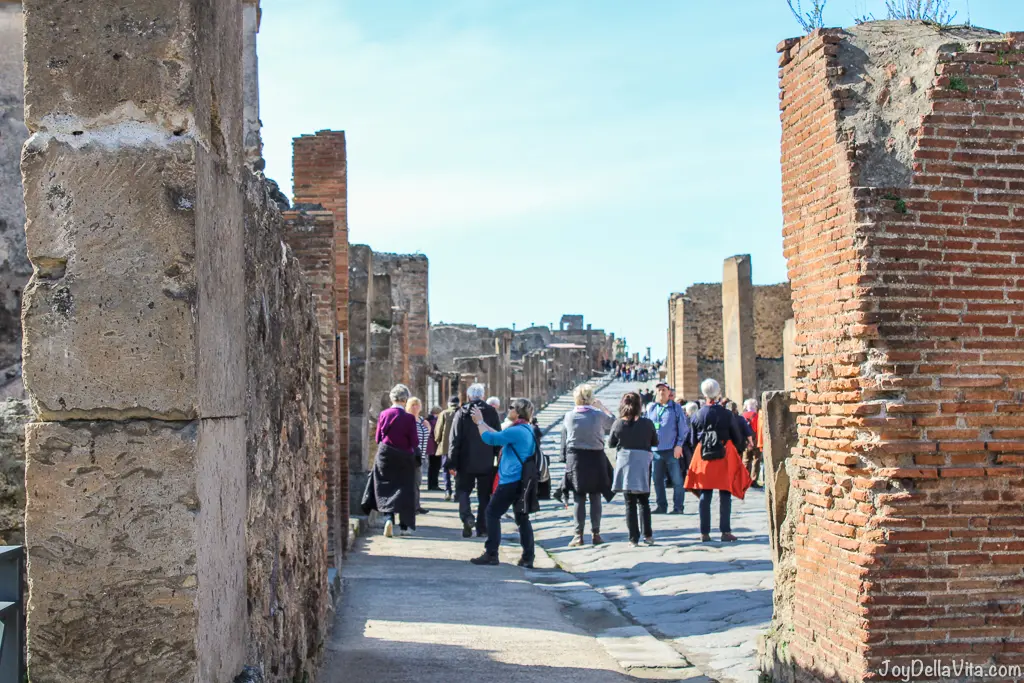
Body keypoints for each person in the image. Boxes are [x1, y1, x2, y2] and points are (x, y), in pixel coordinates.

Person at [468, 397, 539, 567]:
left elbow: (490, 439)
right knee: (522, 518)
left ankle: (491, 553)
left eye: (512, 407)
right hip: (521, 480)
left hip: (510, 480)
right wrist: (483, 422)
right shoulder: (525, 429)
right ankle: (528, 557)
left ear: (518, 411)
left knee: (492, 513)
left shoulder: (516, 431)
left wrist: (479, 423)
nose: (509, 410)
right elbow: (498, 434)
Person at [685, 379, 753, 542]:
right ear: (718, 392)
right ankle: (725, 531)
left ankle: (705, 533)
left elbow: (693, 441)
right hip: (724, 455)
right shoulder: (727, 414)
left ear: (704, 394)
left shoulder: (697, 415)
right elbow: (736, 437)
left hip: (704, 457)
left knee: (705, 494)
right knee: (725, 494)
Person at [561, 383, 616, 547]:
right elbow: (613, 423)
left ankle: (578, 535)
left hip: (576, 457)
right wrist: (602, 407)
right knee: (595, 495)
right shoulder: (598, 415)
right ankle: (596, 534)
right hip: (595, 457)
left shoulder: (569, 416)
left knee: (578, 497)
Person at [361, 384, 419, 537]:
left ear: (392, 398)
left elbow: (378, 437)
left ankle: (388, 518)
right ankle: (405, 526)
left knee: (385, 486)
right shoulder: (409, 418)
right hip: (404, 455)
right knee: (404, 488)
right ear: (405, 399)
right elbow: (414, 441)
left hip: (385, 453)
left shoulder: (384, 414)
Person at [449, 383, 503, 538]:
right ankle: (482, 527)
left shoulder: (461, 412)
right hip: (486, 461)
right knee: (484, 495)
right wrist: (496, 458)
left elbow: (454, 439)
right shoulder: (491, 412)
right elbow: (497, 436)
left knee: (463, 490)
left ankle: (467, 517)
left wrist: (452, 462)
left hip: (465, 461)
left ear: (468, 396)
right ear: (483, 396)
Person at [610, 392, 659, 547]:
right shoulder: (647, 423)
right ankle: (648, 535)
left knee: (629, 502)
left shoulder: (618, 423)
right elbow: (655, 441)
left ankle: (633, 538)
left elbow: (611, 443)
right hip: (643, 463)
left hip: (626, 463)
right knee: (644, 501)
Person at [643, 382, 690, 515]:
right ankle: (661, 506)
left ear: (669, 392)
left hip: (671, 449)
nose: (661, 392)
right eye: (658, 390)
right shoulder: (651, 408)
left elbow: (683, 429)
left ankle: (678, 507)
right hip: (655, 450)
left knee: (677, 480)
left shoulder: (675, 408)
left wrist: (679, 445)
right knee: (657, 480)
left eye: (663, 390)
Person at [407, 397, 431, 515]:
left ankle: (416, 505)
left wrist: (429, 428)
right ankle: (412, 506)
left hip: (420, 456)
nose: (415, 407)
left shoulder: (422, 420)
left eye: (417, 405)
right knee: (411, 482)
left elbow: (426, 437)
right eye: (413, 405)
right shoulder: (408, 420)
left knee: (417, 482)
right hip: (410, 455)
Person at [434, 395, 461, 501]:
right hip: (459, 447)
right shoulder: (462, 413)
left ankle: (447, 490)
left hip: (446, 446)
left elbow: (438, 429)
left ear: (449, 404)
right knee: (458, 469)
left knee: (445, 469)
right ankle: (457, 492)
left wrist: (438, 440)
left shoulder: (444, 413)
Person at [741, 399, 763, 487]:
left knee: (746, 460)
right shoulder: (757, 416)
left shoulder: (742, 416)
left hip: (746, 441)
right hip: (755, 440)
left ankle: (745, 480)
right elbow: (758, 429)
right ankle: (753, 480)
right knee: (756, 460)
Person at [426, 405, 442, 491]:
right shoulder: (435, 421)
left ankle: (430, 484)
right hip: (435, 446)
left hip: (431, 446)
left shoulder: (428, 420)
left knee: (432, 466)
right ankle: (434, 484)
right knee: (436, 466)